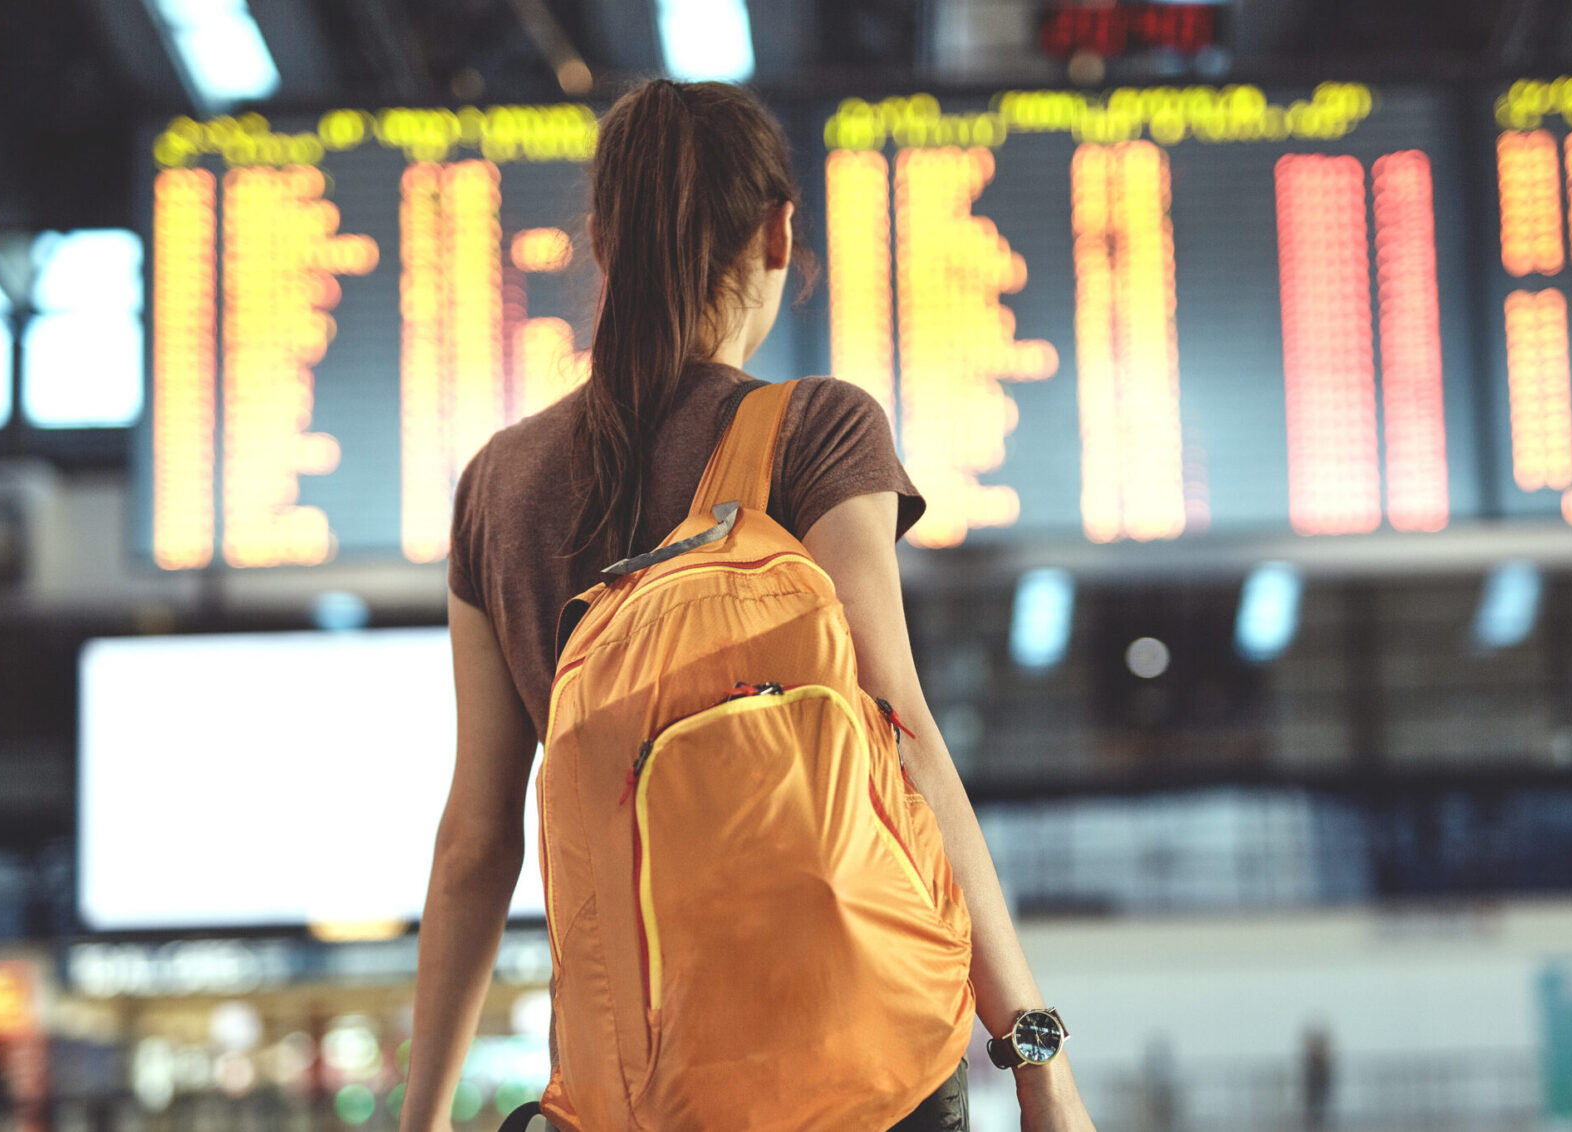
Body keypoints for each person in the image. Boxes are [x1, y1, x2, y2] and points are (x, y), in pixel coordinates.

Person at [397, 79, 1096, 1132]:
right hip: (863, 1066)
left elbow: (476, 841)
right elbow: (899, 732)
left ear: (599, 240)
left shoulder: (498, 487)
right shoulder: (814, 431)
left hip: (638, 1087)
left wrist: (424, 1116)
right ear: (780, 233)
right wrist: (1039, 1061)